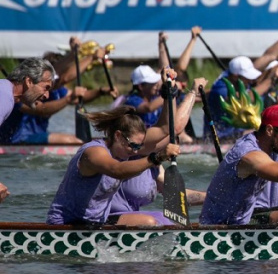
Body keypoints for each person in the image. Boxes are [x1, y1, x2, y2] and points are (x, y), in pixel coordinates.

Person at [45, 73, 203, 227]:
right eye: (133, 146)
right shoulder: (94, 152)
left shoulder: (125, 147)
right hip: (68, 225)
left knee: (167, 222)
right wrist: (156, 158)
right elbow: (117, 169)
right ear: (118, 136)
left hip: (97, 223)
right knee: (148, 223)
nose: (136, 151)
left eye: (138, 146)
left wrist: (169, 93)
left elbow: (166, 128)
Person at [0, 58, 57, 202]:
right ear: (29, 82)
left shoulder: (5, 90)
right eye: (46, 87)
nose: (46, 96)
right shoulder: (5, 97)